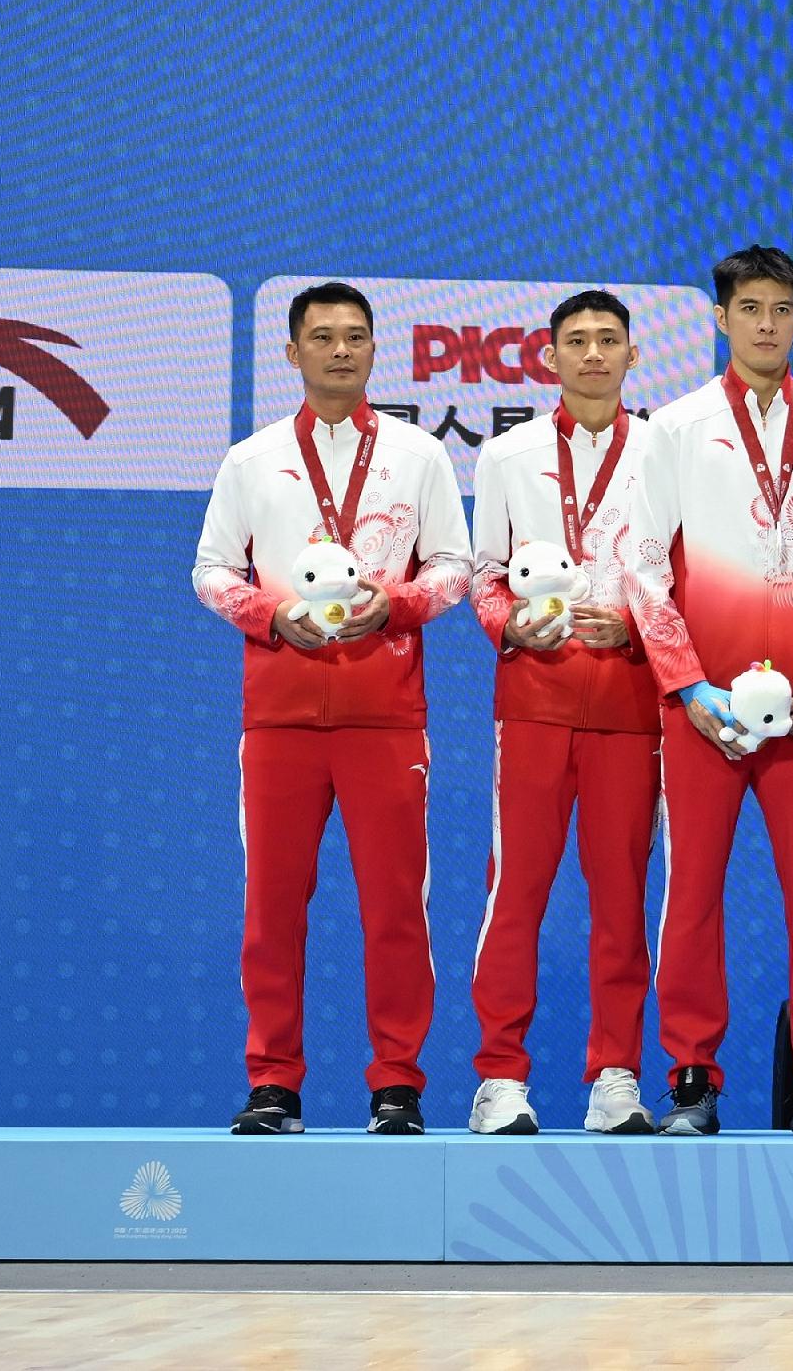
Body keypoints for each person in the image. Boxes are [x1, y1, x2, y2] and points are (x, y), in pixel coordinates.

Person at [192, 282, 472, 1135]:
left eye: (355, 336)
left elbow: (455, 569)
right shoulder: (251, 459)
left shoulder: (420, 456)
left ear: (375, 349)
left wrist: (398, 603)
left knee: (395, 908)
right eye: (323, 338)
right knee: (272, 906)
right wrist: (268, 615)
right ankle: (273, 1083)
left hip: (386, 717)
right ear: (292, 353)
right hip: (278, 720)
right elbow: (210, 571)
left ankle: (398, 1084)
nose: (341, 351)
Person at [627, 243, 793, 1136]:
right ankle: (692, 1075)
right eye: (751, 309)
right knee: (690, 891)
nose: (767, 325)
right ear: (720, 319)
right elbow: (644, 571)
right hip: (703, 715)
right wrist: (691, 689)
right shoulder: (677, 429)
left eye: (782, 311)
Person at [462, 288, 673, 1135]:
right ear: (547, 357)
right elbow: (482, 574)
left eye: (608, 340)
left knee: (622, 899)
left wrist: (637, 627)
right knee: (514, 892)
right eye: (576, 341)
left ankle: (615, 1075)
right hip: (536, 704)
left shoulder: (667, 452)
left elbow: (677, 577)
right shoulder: (507, 454)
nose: (592, 354)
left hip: (631, 704)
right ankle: (500, 1077)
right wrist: (509, 622)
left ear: (632, 355)